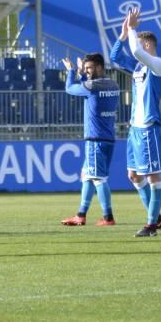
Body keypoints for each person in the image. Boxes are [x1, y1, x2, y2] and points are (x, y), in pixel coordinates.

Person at [110, 7, 161, 238]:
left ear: (147, 46)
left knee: (154, 176)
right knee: (134, 176)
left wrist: (134, 29)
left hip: (148, 128)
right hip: (135, 129)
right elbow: (116, 57)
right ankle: (156, 217)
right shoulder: (138, 67)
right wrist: (124, 34)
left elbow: (135, 51)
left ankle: (151, 225)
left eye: (139, 42)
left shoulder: (160, 65)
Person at [59, 53, 121, 227]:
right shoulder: (114, 84)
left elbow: (70, 88)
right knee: (87, 175)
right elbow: (89, 86)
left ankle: (108, 217)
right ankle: (81, 215)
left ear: (100, 67)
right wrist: (83, 73)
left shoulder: (92, 86)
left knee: (98, 179)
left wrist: (72, 71)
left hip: (95, 139)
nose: (87, 71)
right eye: (86, 68)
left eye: (90, 68)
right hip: (108, 137)